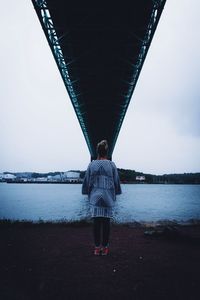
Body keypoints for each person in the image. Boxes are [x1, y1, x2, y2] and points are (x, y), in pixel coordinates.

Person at [82, 140, 121, 256]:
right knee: (106, 223)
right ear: (106, 152)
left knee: (96, 223)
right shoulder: (112, 165)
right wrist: (116, 192)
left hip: (95, 198)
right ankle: (104, 248)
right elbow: (116, 181)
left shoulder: (91, 165)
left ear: (97, 152)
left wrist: (86, 192)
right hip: (107, 197)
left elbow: (86, 181)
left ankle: (97, 248)